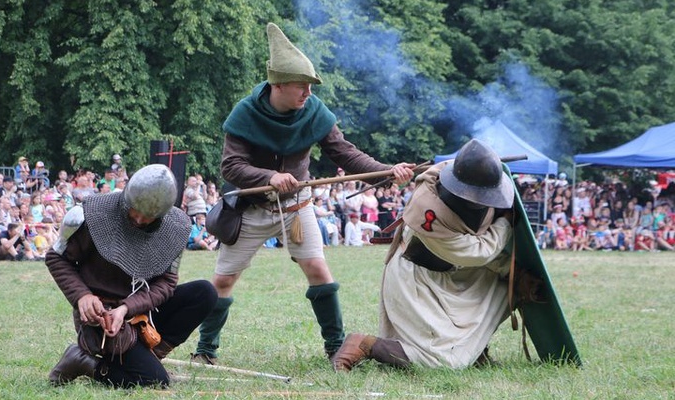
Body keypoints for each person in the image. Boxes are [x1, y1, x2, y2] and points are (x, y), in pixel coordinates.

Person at [190, 22, 413, 365]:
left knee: (318, 270)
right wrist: (269, 176)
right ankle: (205, 352)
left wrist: (388, 173)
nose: (307, 94)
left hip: (297, 206)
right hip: (250, 208)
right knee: (223, 279)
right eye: (301, 87)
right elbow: (231, 167)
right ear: (277, 85)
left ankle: (336, 347)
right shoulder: (244, 113)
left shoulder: (314, 111)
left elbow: (345, 153)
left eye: (310, 87)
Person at [332, 139, 517, 371]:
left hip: (452, 275)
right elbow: (480, 252)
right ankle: (365, 345)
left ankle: (476, 349)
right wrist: (506, 223)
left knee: (501, 289)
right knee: (441, 361)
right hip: (417, 278)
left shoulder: (447, 170)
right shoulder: (430, 216)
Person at [46, 164, 218, 388]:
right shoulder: (92, 215)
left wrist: (127, 307)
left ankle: (151, 355)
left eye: (148, 216)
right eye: (134, 210)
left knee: (205, 292)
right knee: (155, 382)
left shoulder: (175, 228)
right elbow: (56, 258)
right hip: (103, 317)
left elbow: (167, 283)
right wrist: (82, 296)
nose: (138, 219)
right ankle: (83, 361)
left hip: (143, 310)